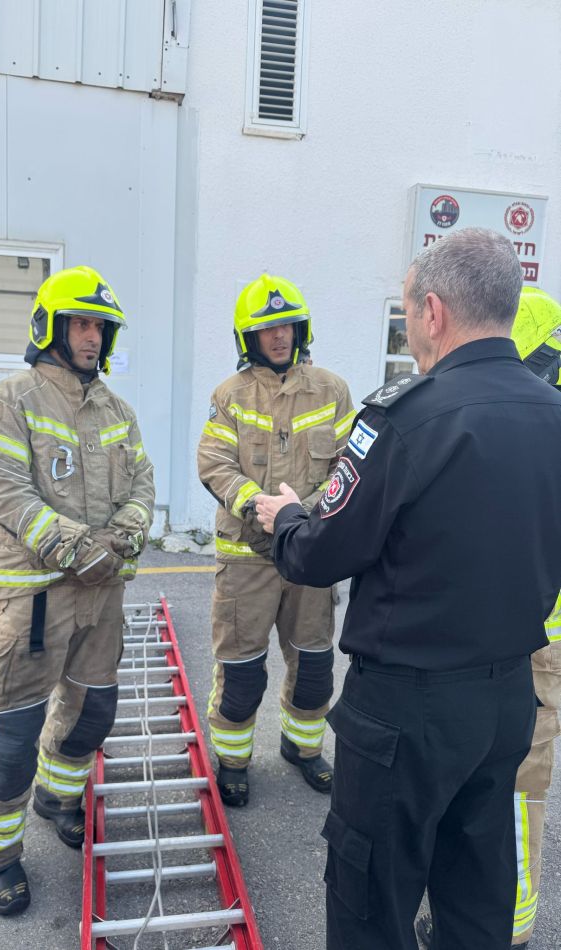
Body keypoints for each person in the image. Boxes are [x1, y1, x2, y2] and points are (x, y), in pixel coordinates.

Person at [256, 228, 561, 950]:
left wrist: (285, 516)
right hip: (505, 700)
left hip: (404, 709)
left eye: (404, 313)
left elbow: (319, 553)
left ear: (431, 311)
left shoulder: (406, 416)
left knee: (370, 899)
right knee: (475, 889)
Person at [0, 265, 155, 915]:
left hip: (102, 597)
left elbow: (140, 485)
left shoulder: (115, 409)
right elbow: (4, 487)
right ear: (49, 326)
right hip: (36, 598)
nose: (92, 337)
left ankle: (58, 798)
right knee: (13, 738)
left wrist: (128, 531)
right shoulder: (10, 399)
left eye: (101, 327)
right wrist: (75, 546)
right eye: (80, 323)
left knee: (92, 713)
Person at [416, 286, 561, 949]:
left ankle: (503, 927)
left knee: (508, 788)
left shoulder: (530, 422)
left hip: (528, 648)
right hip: (513, 642)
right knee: (489, 787)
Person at [197, 274, 354, 807]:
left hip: (310, 555)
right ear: (250, 338)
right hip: (246, 562)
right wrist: (254, 503)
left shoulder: (331, 390)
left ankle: (303, 750)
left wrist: (303, 513)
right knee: (241, 674)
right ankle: (233, 763)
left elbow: (350, 465)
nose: (280, 336)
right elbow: (213, 463)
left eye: (286, 325)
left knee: (313, 667)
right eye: (268, 329)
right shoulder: (230, 396)